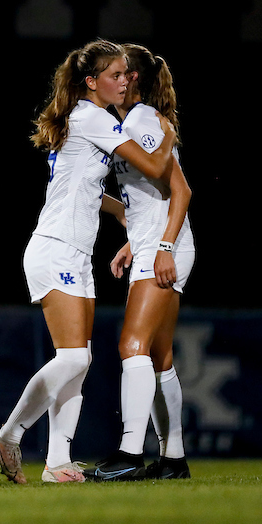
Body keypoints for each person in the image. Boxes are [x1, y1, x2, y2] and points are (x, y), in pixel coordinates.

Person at [0, 39, 175, 484]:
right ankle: (9, 435)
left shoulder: (86, 118)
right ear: (92, 82)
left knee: (79, 359)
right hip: (56, 247)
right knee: (72, 358)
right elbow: (152, 165)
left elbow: (78, 186)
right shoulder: (92, 117)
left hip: (73, 250)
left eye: (127, 73)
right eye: (115, 74)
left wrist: (118, 211)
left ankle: (57, 463)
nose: (124, 80)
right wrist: (167, 133)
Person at [86, 44, 194, 481]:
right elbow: (152, 196)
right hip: (154, 244)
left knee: (132, 345)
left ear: (133, 79)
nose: (118, 77)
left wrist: (163, 246)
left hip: (164, 249)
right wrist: (136, 241)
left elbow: (181, 192)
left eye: (122, 71)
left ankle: (129, 453)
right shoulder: (136, 120)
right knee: (159, 357)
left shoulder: (142, 119)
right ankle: (173, 460)